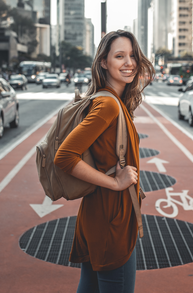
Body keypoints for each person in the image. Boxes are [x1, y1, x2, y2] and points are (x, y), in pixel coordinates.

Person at [54, 30, 154, 293]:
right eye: (119, 56)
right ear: (103, 62)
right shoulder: (108, 105)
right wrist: (115, 183)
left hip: (97, 216)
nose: (129, 62)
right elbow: (64, 156)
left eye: (132, 55)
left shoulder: (112, 100)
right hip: (112, 220)